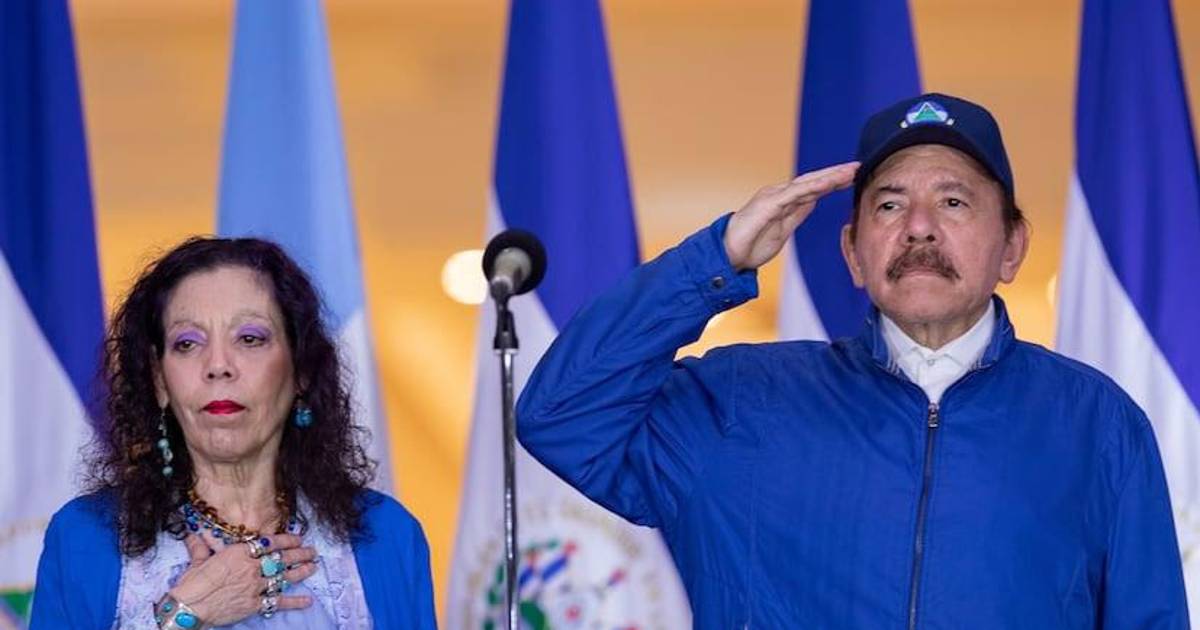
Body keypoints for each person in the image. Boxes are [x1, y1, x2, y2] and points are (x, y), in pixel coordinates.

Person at [516, 93, 1190, 628]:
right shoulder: (738, 401)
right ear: (853, 254)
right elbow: (560, 415)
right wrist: (715, 261)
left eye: (953, 202)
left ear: (1012, 247)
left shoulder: (1096, 423)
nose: (918, 227)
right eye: (890, 204)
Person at [31, 237, 436, 629]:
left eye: (249, 338)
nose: (218, 365)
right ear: (159, 380)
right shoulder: (85, 538)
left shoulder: (387, 535)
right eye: (188, 343)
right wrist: (181, 616)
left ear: (301, 370)